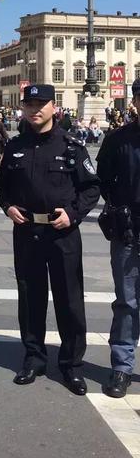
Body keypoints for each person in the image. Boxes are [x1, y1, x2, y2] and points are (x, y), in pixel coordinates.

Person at [0, 84, 100, 395]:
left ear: (54, 107)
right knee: (30, 297)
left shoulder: (71, 146)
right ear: (24, 109)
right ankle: (34, 358)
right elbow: (3, 188)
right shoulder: (15, 147)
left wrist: (73, 213)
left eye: (41, 104)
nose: (35, 110)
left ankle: (71, 365)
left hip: (62, 233)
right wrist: (8, 206)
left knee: (69, 299)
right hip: (27, 231)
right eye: (30, 105)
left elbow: (91, 187)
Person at [96, 79, 140, 398]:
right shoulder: (118, 139)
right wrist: (116, 208)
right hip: (129, 232)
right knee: (126, 303)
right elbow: (102, 180)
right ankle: (122, 367)